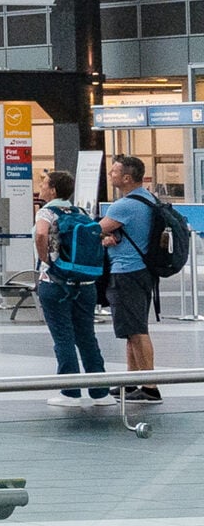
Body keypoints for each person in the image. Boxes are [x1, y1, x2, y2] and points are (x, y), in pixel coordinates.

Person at [33, 171, 112, 408]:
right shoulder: (82, 212)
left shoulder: (46, 211)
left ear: (54, 190)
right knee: (86, 336)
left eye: (44, 184)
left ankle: (70, 392)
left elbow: (41, 233)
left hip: (55, 282)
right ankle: (101, 393)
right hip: (86, 284)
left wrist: (45, 259)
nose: (41, 188)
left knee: (63, 336)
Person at [97, 154, 161, 404]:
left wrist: (101, 238)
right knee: (131, 329)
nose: (111, 175)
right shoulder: (147, 199)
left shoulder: (123, 206)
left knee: (136, 330)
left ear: (126, 177)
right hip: (142, 271)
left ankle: (151, 386)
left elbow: (95, 230)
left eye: (114, 171)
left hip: (127, 272)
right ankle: (132, 381)